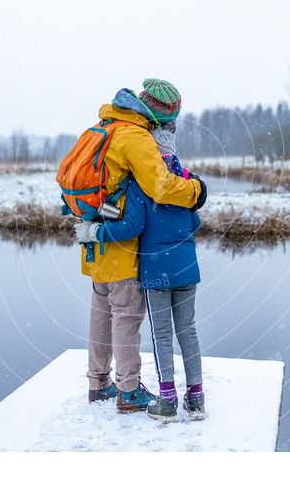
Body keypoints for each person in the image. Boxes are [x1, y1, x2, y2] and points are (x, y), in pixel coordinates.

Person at [73, 79, 207, 414]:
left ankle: (98, 382)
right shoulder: (135, 136)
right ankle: (129, 390)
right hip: (120, 243)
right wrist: (195, 192)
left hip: (98, 234)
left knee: (101, 311)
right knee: (127, 315)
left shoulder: (106, 125)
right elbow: (160, 186)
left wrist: (95, 228)